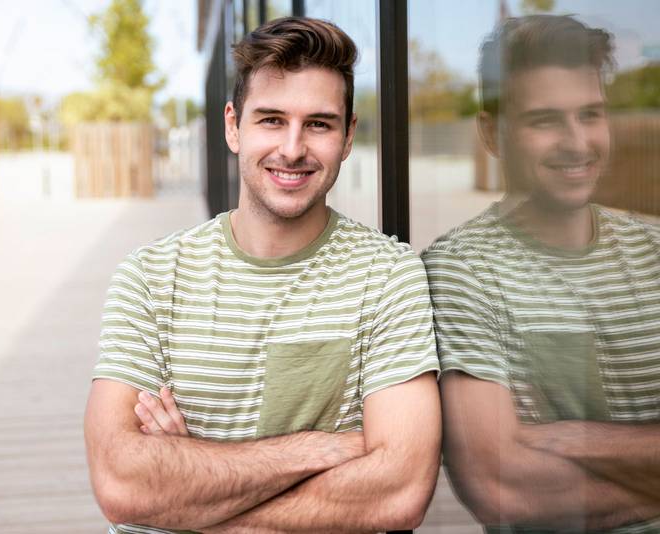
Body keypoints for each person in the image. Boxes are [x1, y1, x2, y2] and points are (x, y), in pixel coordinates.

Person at [84, 16, 442, 534]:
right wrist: (319, 449)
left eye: (318, 123)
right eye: (271, 120)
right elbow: (123, 485)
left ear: (347, 137)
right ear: (233, 126)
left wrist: (189, 490)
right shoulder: (152, 276)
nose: (293, 149)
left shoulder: (388, 276)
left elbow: (400, 490)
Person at [422, 14, 660, 534]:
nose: (577, 142)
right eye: (545, 120)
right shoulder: (463, 271)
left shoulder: (656, 252)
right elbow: (503, 487)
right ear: (491, 132)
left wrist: (574, 439)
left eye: (590, 114)